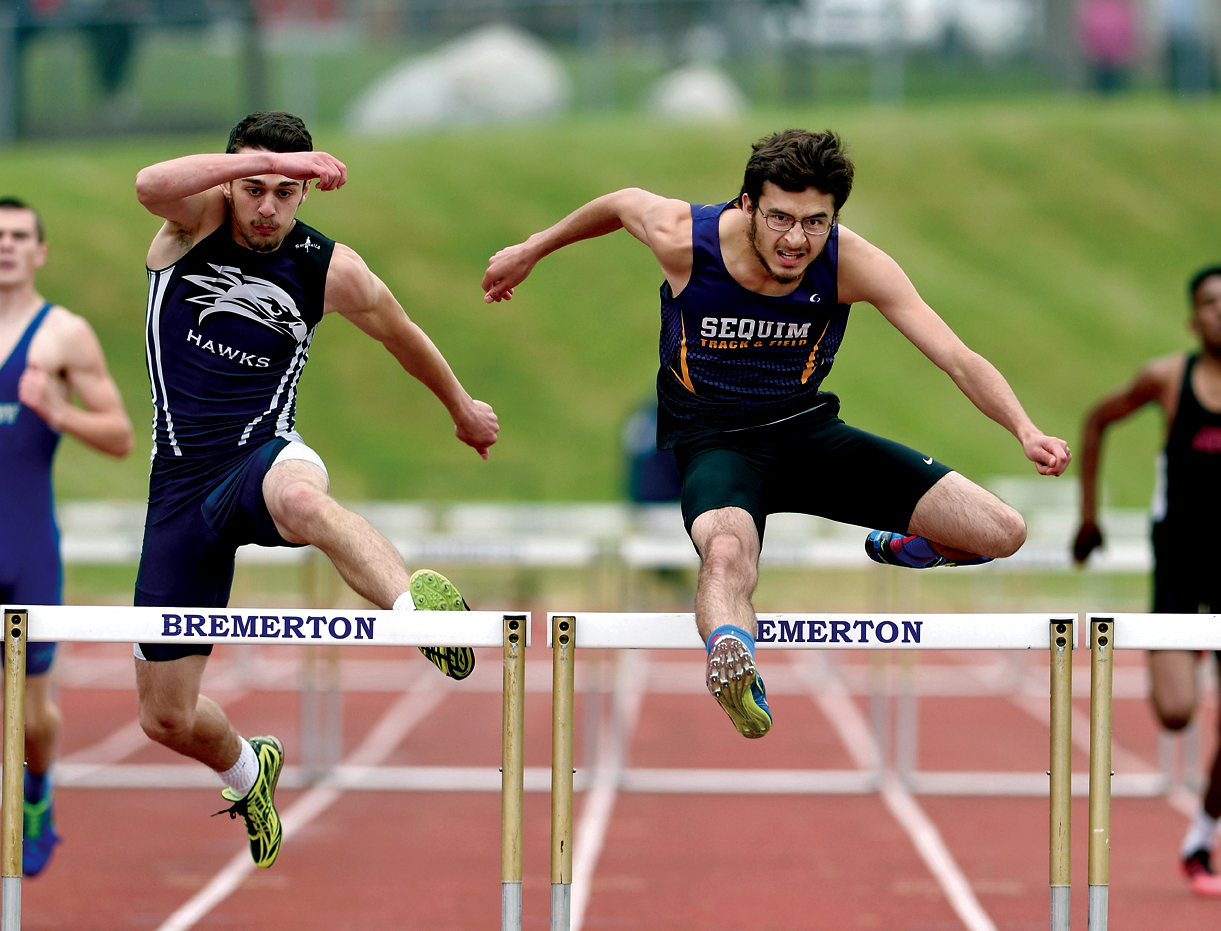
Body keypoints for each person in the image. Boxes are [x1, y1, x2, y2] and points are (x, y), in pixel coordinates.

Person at [483, 129, 1069, 741]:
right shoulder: (687, 240)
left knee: (1003, 531)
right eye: (780, 218)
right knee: (727, 553)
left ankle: (911, 546)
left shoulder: (851, 263)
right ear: (747, 206)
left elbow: (956, 357)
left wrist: (1025, 429)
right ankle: (733, 661)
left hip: (807, 435)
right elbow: (620, 202)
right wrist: (531, 249)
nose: (795, 240)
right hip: (716, 444)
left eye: (815, 223)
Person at [133, 111, 499, 869]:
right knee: (165, 718)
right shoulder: (191, 225)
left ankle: (419, 616)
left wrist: (461, 407)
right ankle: (248, 771)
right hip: (179, 486)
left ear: (305, 194)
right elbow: (148, 183)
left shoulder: (328, 267)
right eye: (254, 188)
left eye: (285, 192)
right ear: (230, 182)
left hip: (262, 456)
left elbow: (401, 333)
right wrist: (260, 163)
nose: (267, 208)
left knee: (303, 503)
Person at [1073, 265, 1221, 895]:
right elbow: (1096, 421)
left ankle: (1200, 840)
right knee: (1177, 713)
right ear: (1193, 319)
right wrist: (1088, 516)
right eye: (1211, 302)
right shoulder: (1167, 378)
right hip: (1181, 565)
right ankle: (1181, 658)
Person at [0, 196, 135, 876]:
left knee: (32, 713)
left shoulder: (65, 334)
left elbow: (120, 435)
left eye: (20, 235)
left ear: (41, 251)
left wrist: (56, 410)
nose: (7, 245)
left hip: (25, 542)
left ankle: (35, 792)